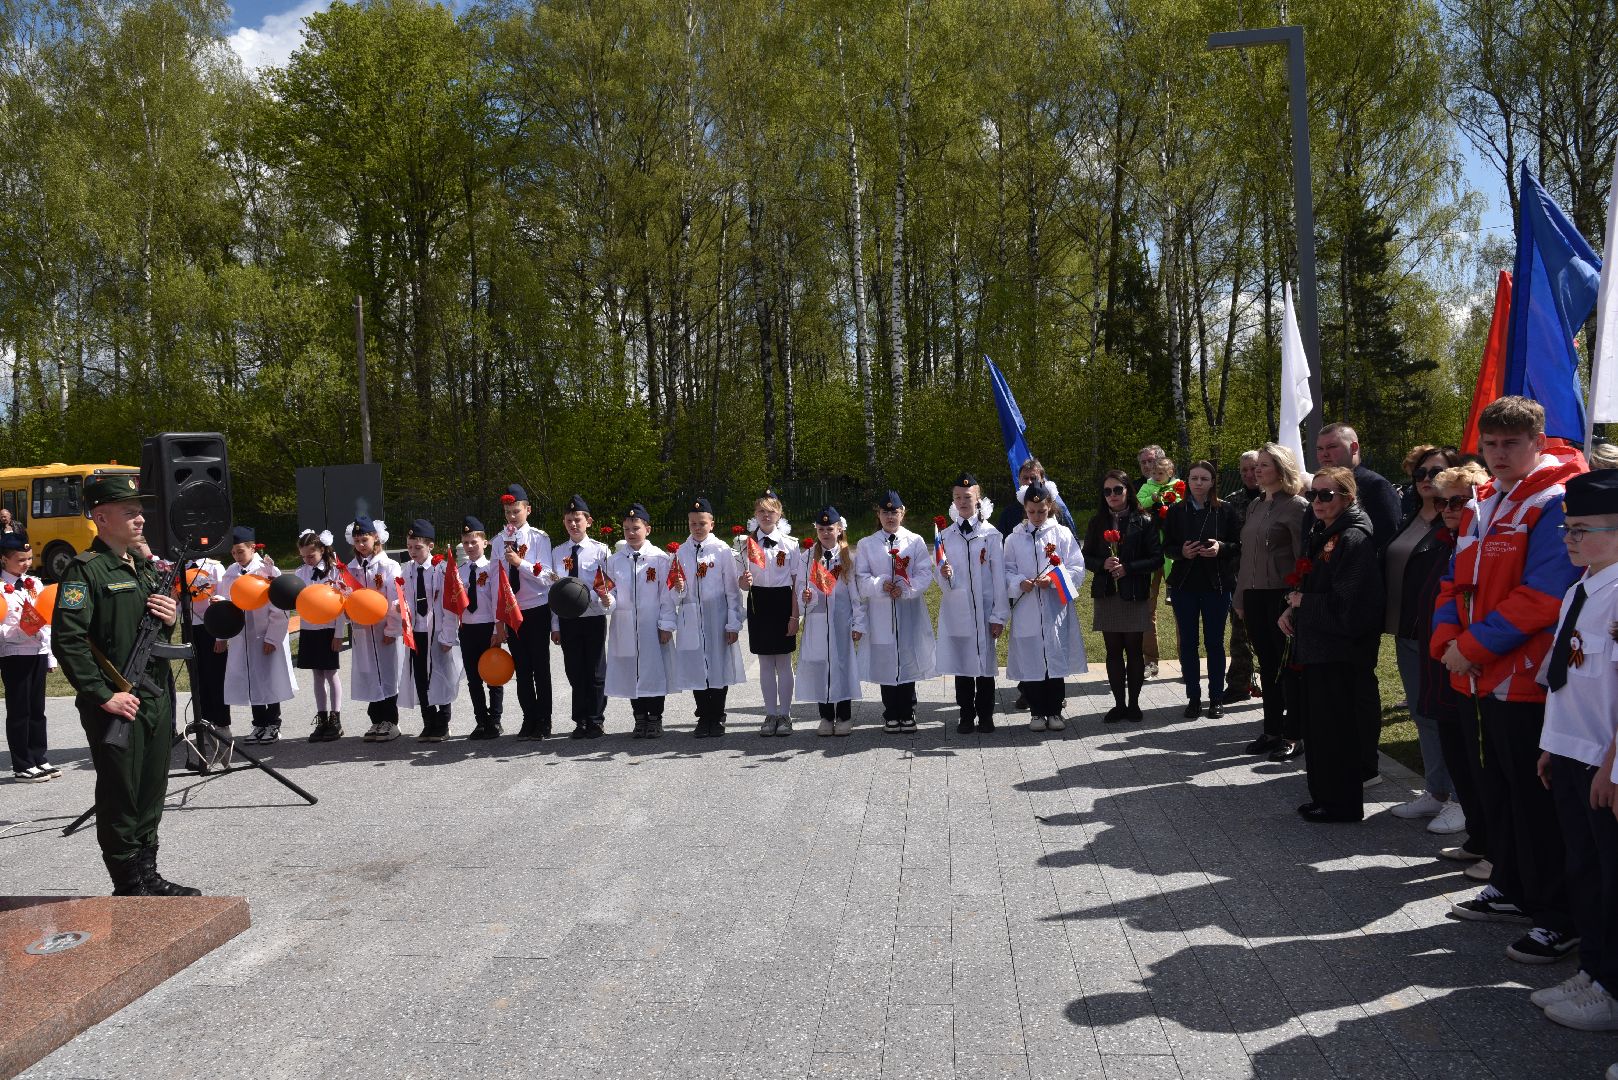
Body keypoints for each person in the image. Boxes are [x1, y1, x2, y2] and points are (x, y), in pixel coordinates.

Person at [1436, 396, 1585, 965]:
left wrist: (1470, 647)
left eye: (1511, 444)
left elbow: (1545, 595)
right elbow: (1457, 580)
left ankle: (1556, 915)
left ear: (1539, 443)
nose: (1498, 454)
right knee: (1498, 788)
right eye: (1490, 444)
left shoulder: (1555, 500)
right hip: (1478, 674)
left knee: (1536, 799)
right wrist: (1447, 643)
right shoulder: (1486, 500)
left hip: (1526, 678)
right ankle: (1514, 885)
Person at [51, 473, 197, 896]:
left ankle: (148, 871)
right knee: (121, 793)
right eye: (130, 513)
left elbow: (151, 637)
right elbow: (69, 641)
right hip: (116, 701)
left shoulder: (144, 569)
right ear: (101, 517)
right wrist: (103, 695)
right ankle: (128, 880)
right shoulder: (86, 571)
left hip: (153, 695)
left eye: (140, 513)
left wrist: (169, 618)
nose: (140, 520)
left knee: (152, 787)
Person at [1530, 470, 1618, 1030]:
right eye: (1567, 529)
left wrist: (1611, 766)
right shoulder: (1579, 588)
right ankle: (1594, 968)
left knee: (1611, 879)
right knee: (1583, 870)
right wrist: (1549, 745)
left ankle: (1611, 989)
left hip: (1603, 761)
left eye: (1580, 529)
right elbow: (1564, 677)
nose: (1568, 540)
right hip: (1570, 749)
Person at [1282, 467, 1384, 823]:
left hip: (1339, 652)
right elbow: (1312, 586)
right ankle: (1324, 796)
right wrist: (1292, 609)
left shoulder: (1353, 538)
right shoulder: (1325, 531)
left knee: (1336, 730)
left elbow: (1352, 604)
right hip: (1318, 646)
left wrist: (1303, 604)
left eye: (1327, 495)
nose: (1319, 501)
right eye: (1314, 494)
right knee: (1318, 728)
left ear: (1348, 498)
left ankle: (1341, 804)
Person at [1383, 446, 1464, 828]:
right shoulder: (1410, 516)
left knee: (1449, 716)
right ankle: (1436, 791)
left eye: (1436, 471)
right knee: (1422, 713)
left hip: (1443, 635)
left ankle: (1463, 800)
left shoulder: (1458, 521)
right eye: (1420, 473)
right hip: (1407, 631)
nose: (1427, 479)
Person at [1427, 464, 1491, 868]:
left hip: (1474, 663)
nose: (1449, 508)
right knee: (1458, 752)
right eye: (1442, 501)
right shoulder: (1447, 540)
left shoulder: (1480, 540)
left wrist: (1463, 646)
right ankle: (1480, 836)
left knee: (1480, 761)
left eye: (1458, 500)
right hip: (1446, 660)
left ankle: (1495, 845)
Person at [1235, 443, 1309, 761]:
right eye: (1256, 466)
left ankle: (1295, 734)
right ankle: (1272, 730)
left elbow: (1302, 559)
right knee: (1267, 667)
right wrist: (1240, 597)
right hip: (1253, 597)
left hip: (1280, 598)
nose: (1257, 470)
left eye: (1264, 465)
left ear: (1281, 468)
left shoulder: (1297, 507)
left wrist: (1295, 604)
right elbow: (1246, 557)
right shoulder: (1254, 507)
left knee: (1286, 667)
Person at [1163, 460, 1242, 719]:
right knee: (1188, 643)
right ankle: (1193, 697)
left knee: (1215, 643)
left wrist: (1221, 548)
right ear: (1188, 481)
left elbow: (1238, 545)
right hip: (1185, 586)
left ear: (1212, 482)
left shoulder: (1226, 510)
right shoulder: (1176, 511)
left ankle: (1216, 698)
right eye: (1194, 478)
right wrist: (1181, 552)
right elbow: (1167, 547)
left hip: (1216, 586)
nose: (1199, 483)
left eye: (1204, 479)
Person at [1004, 482, 1086, 731]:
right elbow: (1006, 570)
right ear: (1025, 510)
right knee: (1032, 659)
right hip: (1027, 608)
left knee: (1054, 657)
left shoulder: (1061, 534)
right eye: (1031, 512)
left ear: (1049, 507)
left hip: (1054, 607)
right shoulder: (1014, 537)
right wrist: (1019, 582)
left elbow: (1076, 567)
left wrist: (1052, 580)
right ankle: (1037, 712)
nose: (1036, 516)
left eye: (1041, 511)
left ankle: (1054, 711)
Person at [1082, 471, 1161, 722]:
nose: (1113, 495)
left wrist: (1129, 567)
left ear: (1127, 490)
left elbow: (1156, 558)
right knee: (1113, 651)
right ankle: (1118, 704)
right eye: (1107, 491)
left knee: (1134, 651)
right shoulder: (1097, 522)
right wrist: (1102, 563)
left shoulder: (1144, 520)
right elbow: (1086, 557)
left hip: (1134, 593)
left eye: (1117, 490)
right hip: (1107, 594)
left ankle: (1134, 704)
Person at [856, 490, 937, 733]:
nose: (890, 516)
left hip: (907, 608)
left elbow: (925, 574)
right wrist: (881, 584)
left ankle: (908, 710)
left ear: (903, 513)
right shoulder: (866, 544)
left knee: (907, 656)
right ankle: (890, 711)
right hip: (880, 611)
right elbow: (861, 579)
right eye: (885, 512)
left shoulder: (915, 541)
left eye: (895, 512)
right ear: (878, 515)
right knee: (886, 659)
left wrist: (905, 588)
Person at [664, 497, 745, 737]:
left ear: (712, 524)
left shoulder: (721, 551)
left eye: (702, 523)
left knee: (718, 665)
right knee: (695, 666)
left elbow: (732, 589)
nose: (697, 528)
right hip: (691, 615)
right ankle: (703, 715)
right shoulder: (680, 552)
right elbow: (674, 594)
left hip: (716, 615)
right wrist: (678, 587)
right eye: (693, 524)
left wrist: (733, 622)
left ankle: (717, 715)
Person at [934, 473, 1007, 734]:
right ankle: (965, 715)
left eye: (968, 497)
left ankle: (986, 715)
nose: (962, 501)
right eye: (957, 497)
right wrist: (943, 575)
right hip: (959, 610)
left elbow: (999, 578)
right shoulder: (945, 537)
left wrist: (999, 615)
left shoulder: (991, 535)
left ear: (978, 499)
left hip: (985, 611)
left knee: (985, 667)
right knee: (963, 665)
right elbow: (940, 576)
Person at [604, 504, 675, 739]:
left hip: (650, 624)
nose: (631, 533)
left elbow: (666, 594)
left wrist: (666, 624)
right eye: (626, 529)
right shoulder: (614, 561)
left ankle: (655, 718)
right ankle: (639, 718)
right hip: (624, 623)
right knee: (630, 671)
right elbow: (610, 591)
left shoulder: (659, 559)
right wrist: (607, 600)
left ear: (648, 529)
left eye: (636, 528)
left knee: (653, 671)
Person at [220, 526, 296, 745]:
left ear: (253, 548)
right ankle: (259, 723)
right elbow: (228, 601)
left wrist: (273, 637)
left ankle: (273, 723)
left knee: (268, 678)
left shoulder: (268, 571)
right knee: (251, 679)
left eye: (240, 551)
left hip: (264, 635)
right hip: (241, 636)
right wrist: (221, 636)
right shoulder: (231, 572)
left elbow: (279, 608)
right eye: (233, 552)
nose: (236, 556)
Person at [737, 490, 801, 736]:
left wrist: (795, 616)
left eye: (771, 510)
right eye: (761, 511)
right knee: (765, 662)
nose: (766, 515)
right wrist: (744, 580)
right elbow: (742, 584)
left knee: (783, 661)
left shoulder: (791, 544)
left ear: (779, 513)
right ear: (755, 514)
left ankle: (785, 714)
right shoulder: (745, 544)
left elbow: (796, 583)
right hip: (758, 601)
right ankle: (770, 714)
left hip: (783, 601)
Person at [796, 507, 863, 737]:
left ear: (839, 530)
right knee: (820, 666)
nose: (826, 533)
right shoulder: (807, 558)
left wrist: (858, 623)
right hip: (817, 622)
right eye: (821, 529)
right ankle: (825, 716)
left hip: (841, 622)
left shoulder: (847, 558)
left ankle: (844, 715)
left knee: (842, 666)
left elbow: (855, 595)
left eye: (830, 529)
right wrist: (807, 597)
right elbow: (801, 591)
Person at [495, 484, 555, 739]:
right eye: (508, 512)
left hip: (536, 609)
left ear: (527, 510)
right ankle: (528, 717)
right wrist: (498, 621)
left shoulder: (539, 539)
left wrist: (522, 564)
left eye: (516, 511)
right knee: (522, 669)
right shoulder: (499, 541)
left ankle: (544, 719)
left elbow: (549, 576)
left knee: (540, 667)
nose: (511, 517)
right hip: (512, 612)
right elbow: (497, 582)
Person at [548, 495, 610, 739]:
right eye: (569, 520)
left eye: (577, 520)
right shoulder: (558, 552)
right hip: (567, 620)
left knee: (595, 670)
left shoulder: (600, 550)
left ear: (589, 522)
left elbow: (606, 584)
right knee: (574, 670)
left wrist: (593, 600)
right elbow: (554, 592)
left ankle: (596, 719)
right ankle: (580, 720)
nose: (573, 525)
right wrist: (555, 625)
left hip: (593, 616)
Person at [399, 520, 463, 743]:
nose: (413, 552)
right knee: (420, 677)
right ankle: (428, 721)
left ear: (430, 546)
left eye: (418, 548)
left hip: (436, 632)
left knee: (441, 674)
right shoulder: (406, 570)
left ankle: (443, 723)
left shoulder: (441, 569)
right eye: (409, 547)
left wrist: (448, 634)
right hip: (416, 632)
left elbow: (449, 605)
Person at [345, 516, 404, 743]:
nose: (361, 544)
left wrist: (392, 630)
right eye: (357, 540)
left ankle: (391, 720)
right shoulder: (351, 568)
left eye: (365, 539)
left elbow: (395, 600)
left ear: (376, 538)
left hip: (383, 629)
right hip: (362, 630)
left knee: (388, 673)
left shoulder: (389, 566)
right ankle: (376, 719)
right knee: (369, 673)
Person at [1, 533, 55, 781]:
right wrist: (19, 630)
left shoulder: (35, 583)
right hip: (15, 653)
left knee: (37, 709)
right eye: (20, 559)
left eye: (29, 558)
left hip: (37, 651)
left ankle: (39, 757)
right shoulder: (1, 589)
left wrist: (50, 655)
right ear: (4, 559)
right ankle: (22, 763)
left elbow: (48, 620)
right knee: (19, 710)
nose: (26, 564)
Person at [293, 529, 347, 742]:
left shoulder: (334, 572)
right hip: (309, 629)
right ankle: (322, 718)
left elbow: (341, 604)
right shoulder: (300, 573)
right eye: (304, 556)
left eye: (311, 555)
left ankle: (336, 719)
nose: (307, 560)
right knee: (316, 673)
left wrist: (338, 633)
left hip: (328, 629)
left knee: (330, 673)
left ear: (322, 550)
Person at [456, 518, 506, 739]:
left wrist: (498, 628)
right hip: (468, 628)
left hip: (488, 627)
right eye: (466, 542)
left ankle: (495, 720)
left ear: (485, 543)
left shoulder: (492, 568)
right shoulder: (460, 571)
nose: (469, 546)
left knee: (493, 675)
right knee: (474, 678)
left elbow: (497, 599)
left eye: (474, 542)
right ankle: (481, 721)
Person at [1222, 451, 1263, 704]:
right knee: (1239, 633)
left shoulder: (1277, 498)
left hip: (1271, 578)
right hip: (1239, 577)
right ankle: (1239, 684)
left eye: (1255, 468)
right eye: (1244, 470)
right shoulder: (1231, 502)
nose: (1249, 474)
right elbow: (1226, 540)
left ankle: (1270, 681)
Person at [995, 457, 1076, 536]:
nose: (1029, 482)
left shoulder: (1059, 510)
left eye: (1034, 478)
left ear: (1043, 481)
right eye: (1025, 478)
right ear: (1019, 480)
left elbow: (1073, 543)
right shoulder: (1009, 513)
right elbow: (1001, 546)